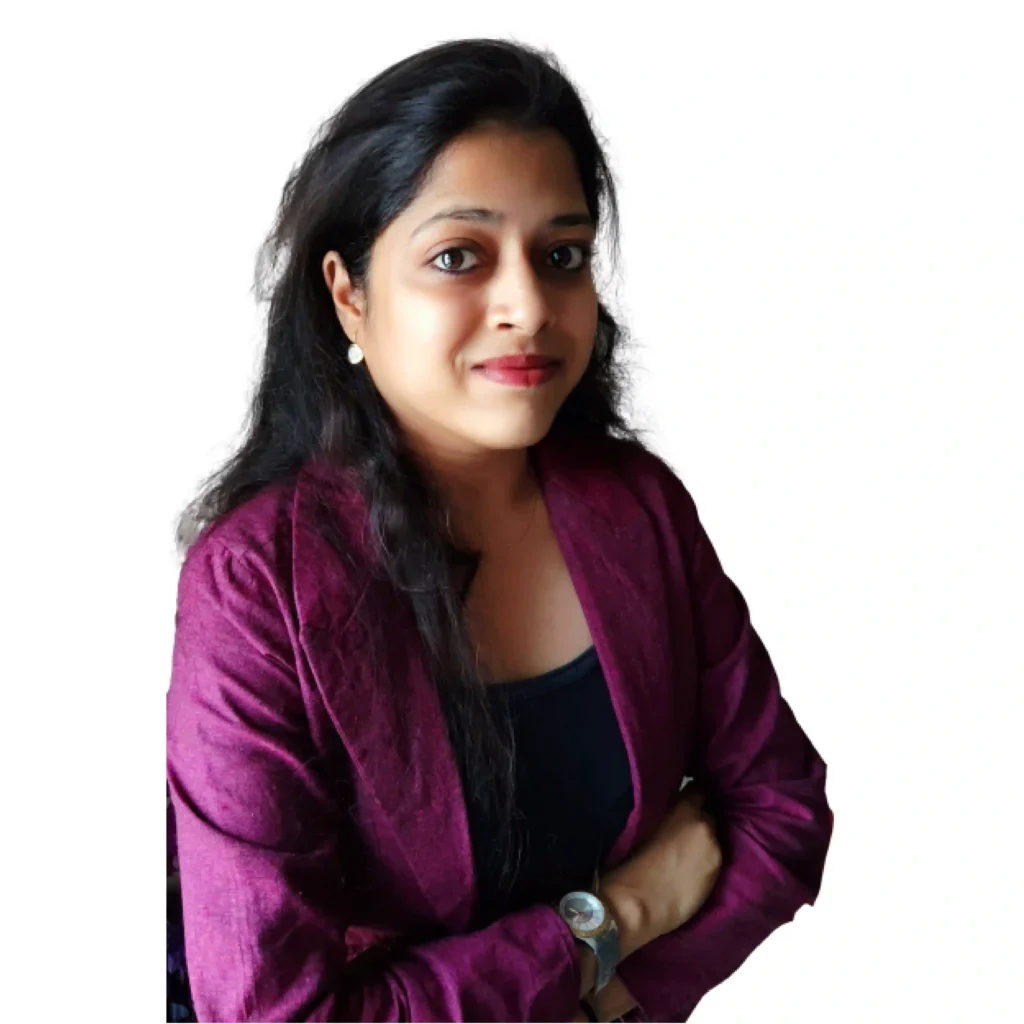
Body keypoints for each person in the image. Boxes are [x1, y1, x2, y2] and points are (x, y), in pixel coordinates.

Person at [166, 37, 833, 1023]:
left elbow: (781, 809)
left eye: (561, 256)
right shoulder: (256, 587)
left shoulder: (638, 509)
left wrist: (616, 999)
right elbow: (278, 1011)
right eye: (457, 257)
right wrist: (611, 920)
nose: (527, 305)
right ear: (349, 294)